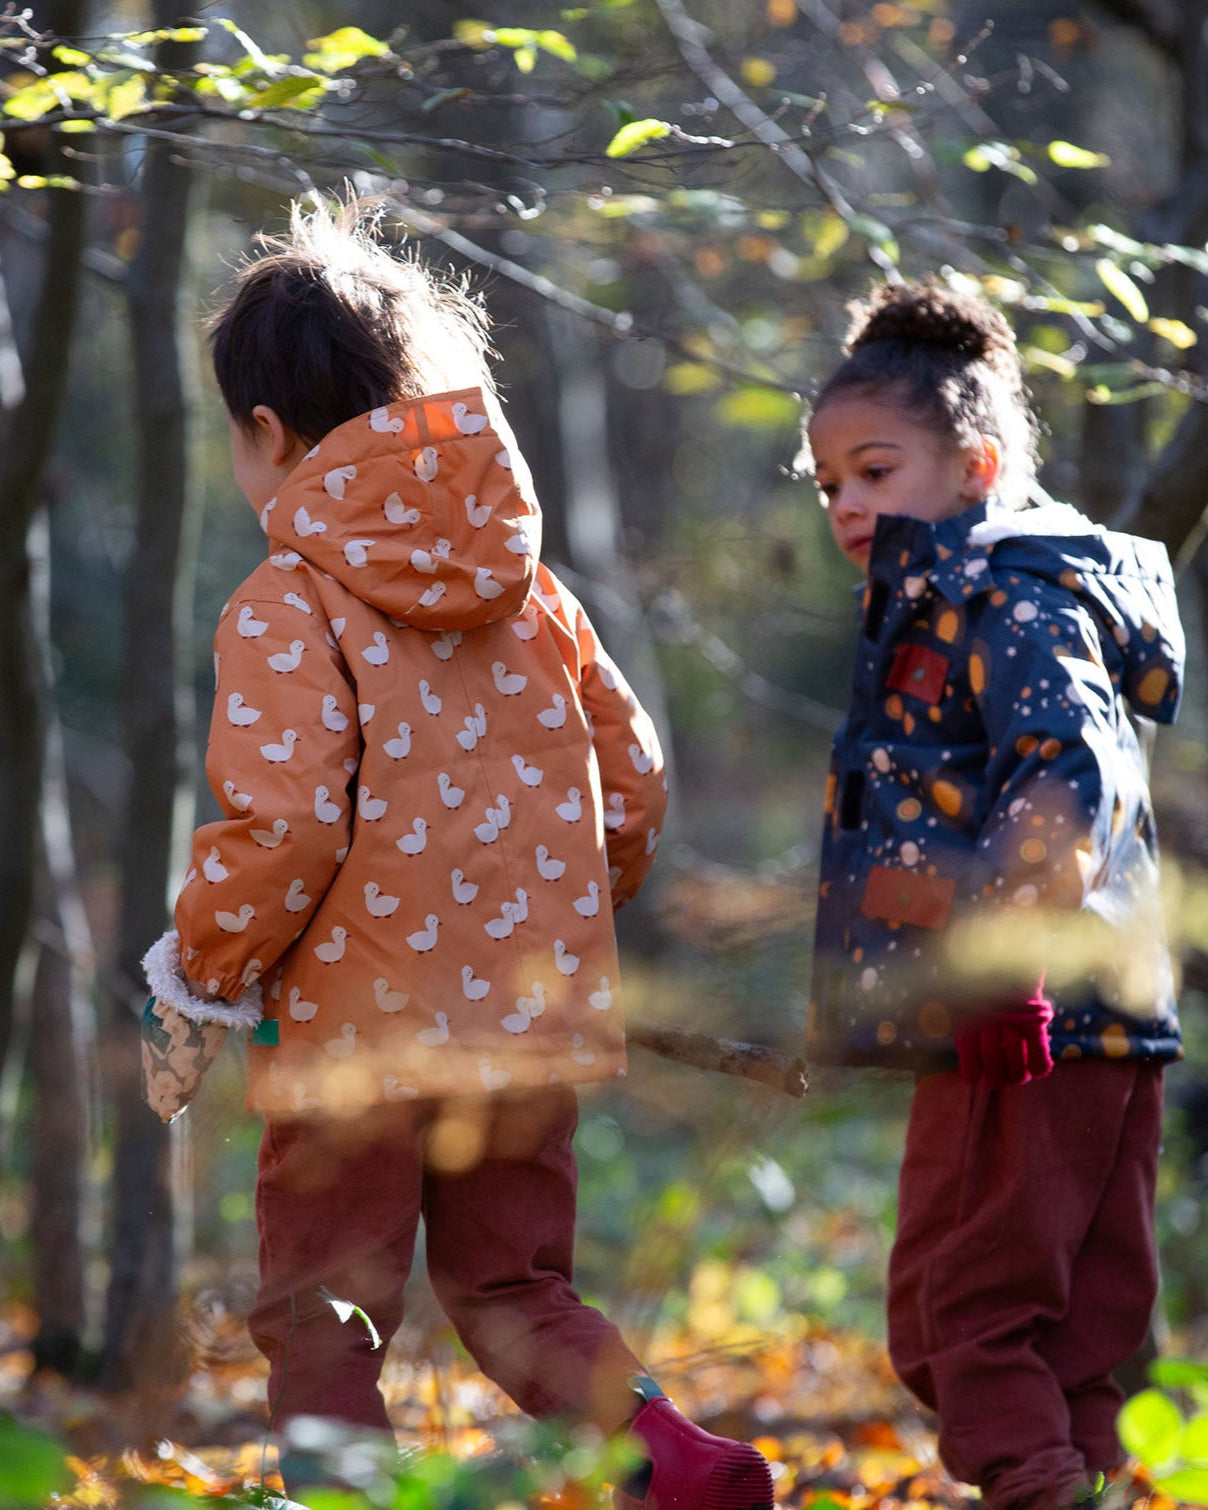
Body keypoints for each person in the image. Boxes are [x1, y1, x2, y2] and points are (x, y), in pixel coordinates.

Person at [140, 194, 774, 1510]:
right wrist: (547, 919)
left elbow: (287, 825)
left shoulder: (287, 600)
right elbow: (635, 779)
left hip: (349, 1039)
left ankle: (347, 1498)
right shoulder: (528, 588)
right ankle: (682, 1462)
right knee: (514, 1285)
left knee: (321, 1306)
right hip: (526, 1014)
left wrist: (203, 967)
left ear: (266, 432)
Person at [798, 280, 1184, 1510]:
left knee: (954, 1312)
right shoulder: (1013, 590)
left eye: (873, 471)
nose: (848, 505)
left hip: (1027, 1015)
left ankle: (1042, 1492)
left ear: (973, 465)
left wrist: (1001, 961)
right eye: (827, 485)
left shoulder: (1001, 595)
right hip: (1105, 1011)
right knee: (1074, 1324)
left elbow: (1061, 773)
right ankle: (1093, 1480)